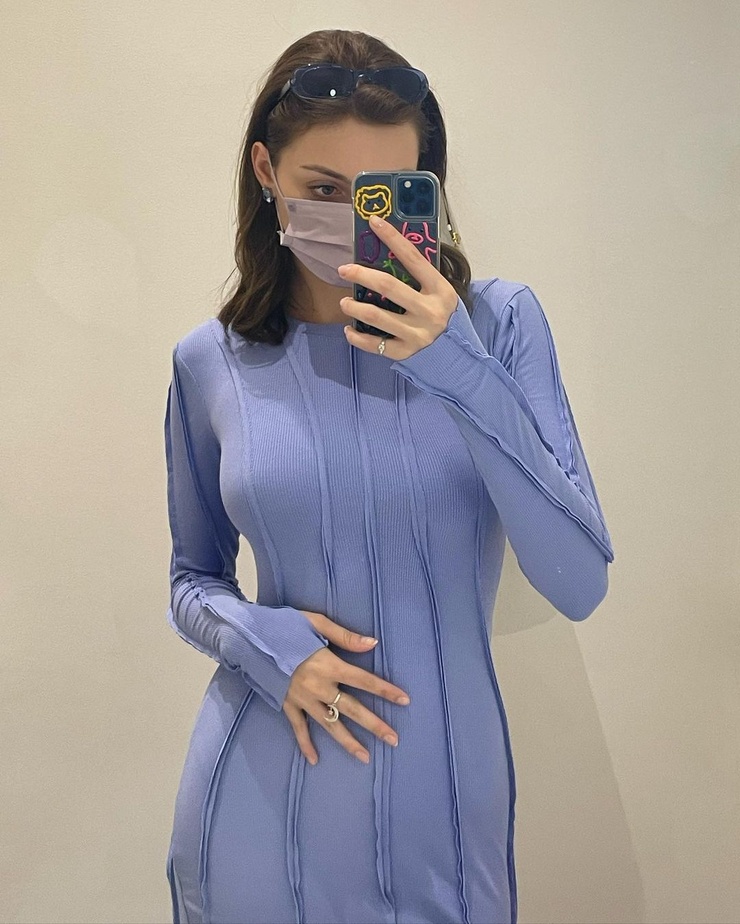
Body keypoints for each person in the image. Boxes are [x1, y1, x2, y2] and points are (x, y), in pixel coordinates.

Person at [163, 28, 615, 924]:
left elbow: (580, 582)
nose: (351, 221)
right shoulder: (210, 361)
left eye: (382, 193)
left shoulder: (500, 326)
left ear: (426, 192)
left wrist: (455, 365)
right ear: (266, 171)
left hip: (443, 807)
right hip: (255, 798)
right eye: (323, 189)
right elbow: (191, 579)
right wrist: (267, 645)